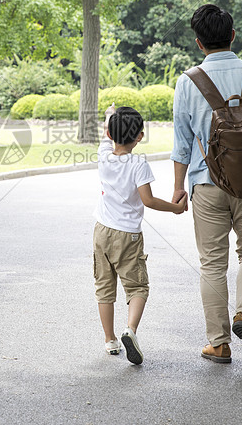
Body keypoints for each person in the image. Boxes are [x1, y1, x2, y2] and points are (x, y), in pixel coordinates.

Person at [170, 4, 242, 364]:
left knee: (212, 264)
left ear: (199, 43)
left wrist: (178, 188)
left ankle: (219, 343)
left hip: (207, 183)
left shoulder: (188, 81)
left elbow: (182, 144)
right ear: (233, 36)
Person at [93, 104, 187, 365]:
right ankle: (130, 330)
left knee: (104, 286)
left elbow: (106, 132)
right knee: (137, 287)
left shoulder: (103, 154)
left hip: (101, 231)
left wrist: (109, 115)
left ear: (111, 135)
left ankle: (110, 340)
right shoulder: (138, 164)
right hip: (128, 236)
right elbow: (148, 200)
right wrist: (176, 209)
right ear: (140, 137)